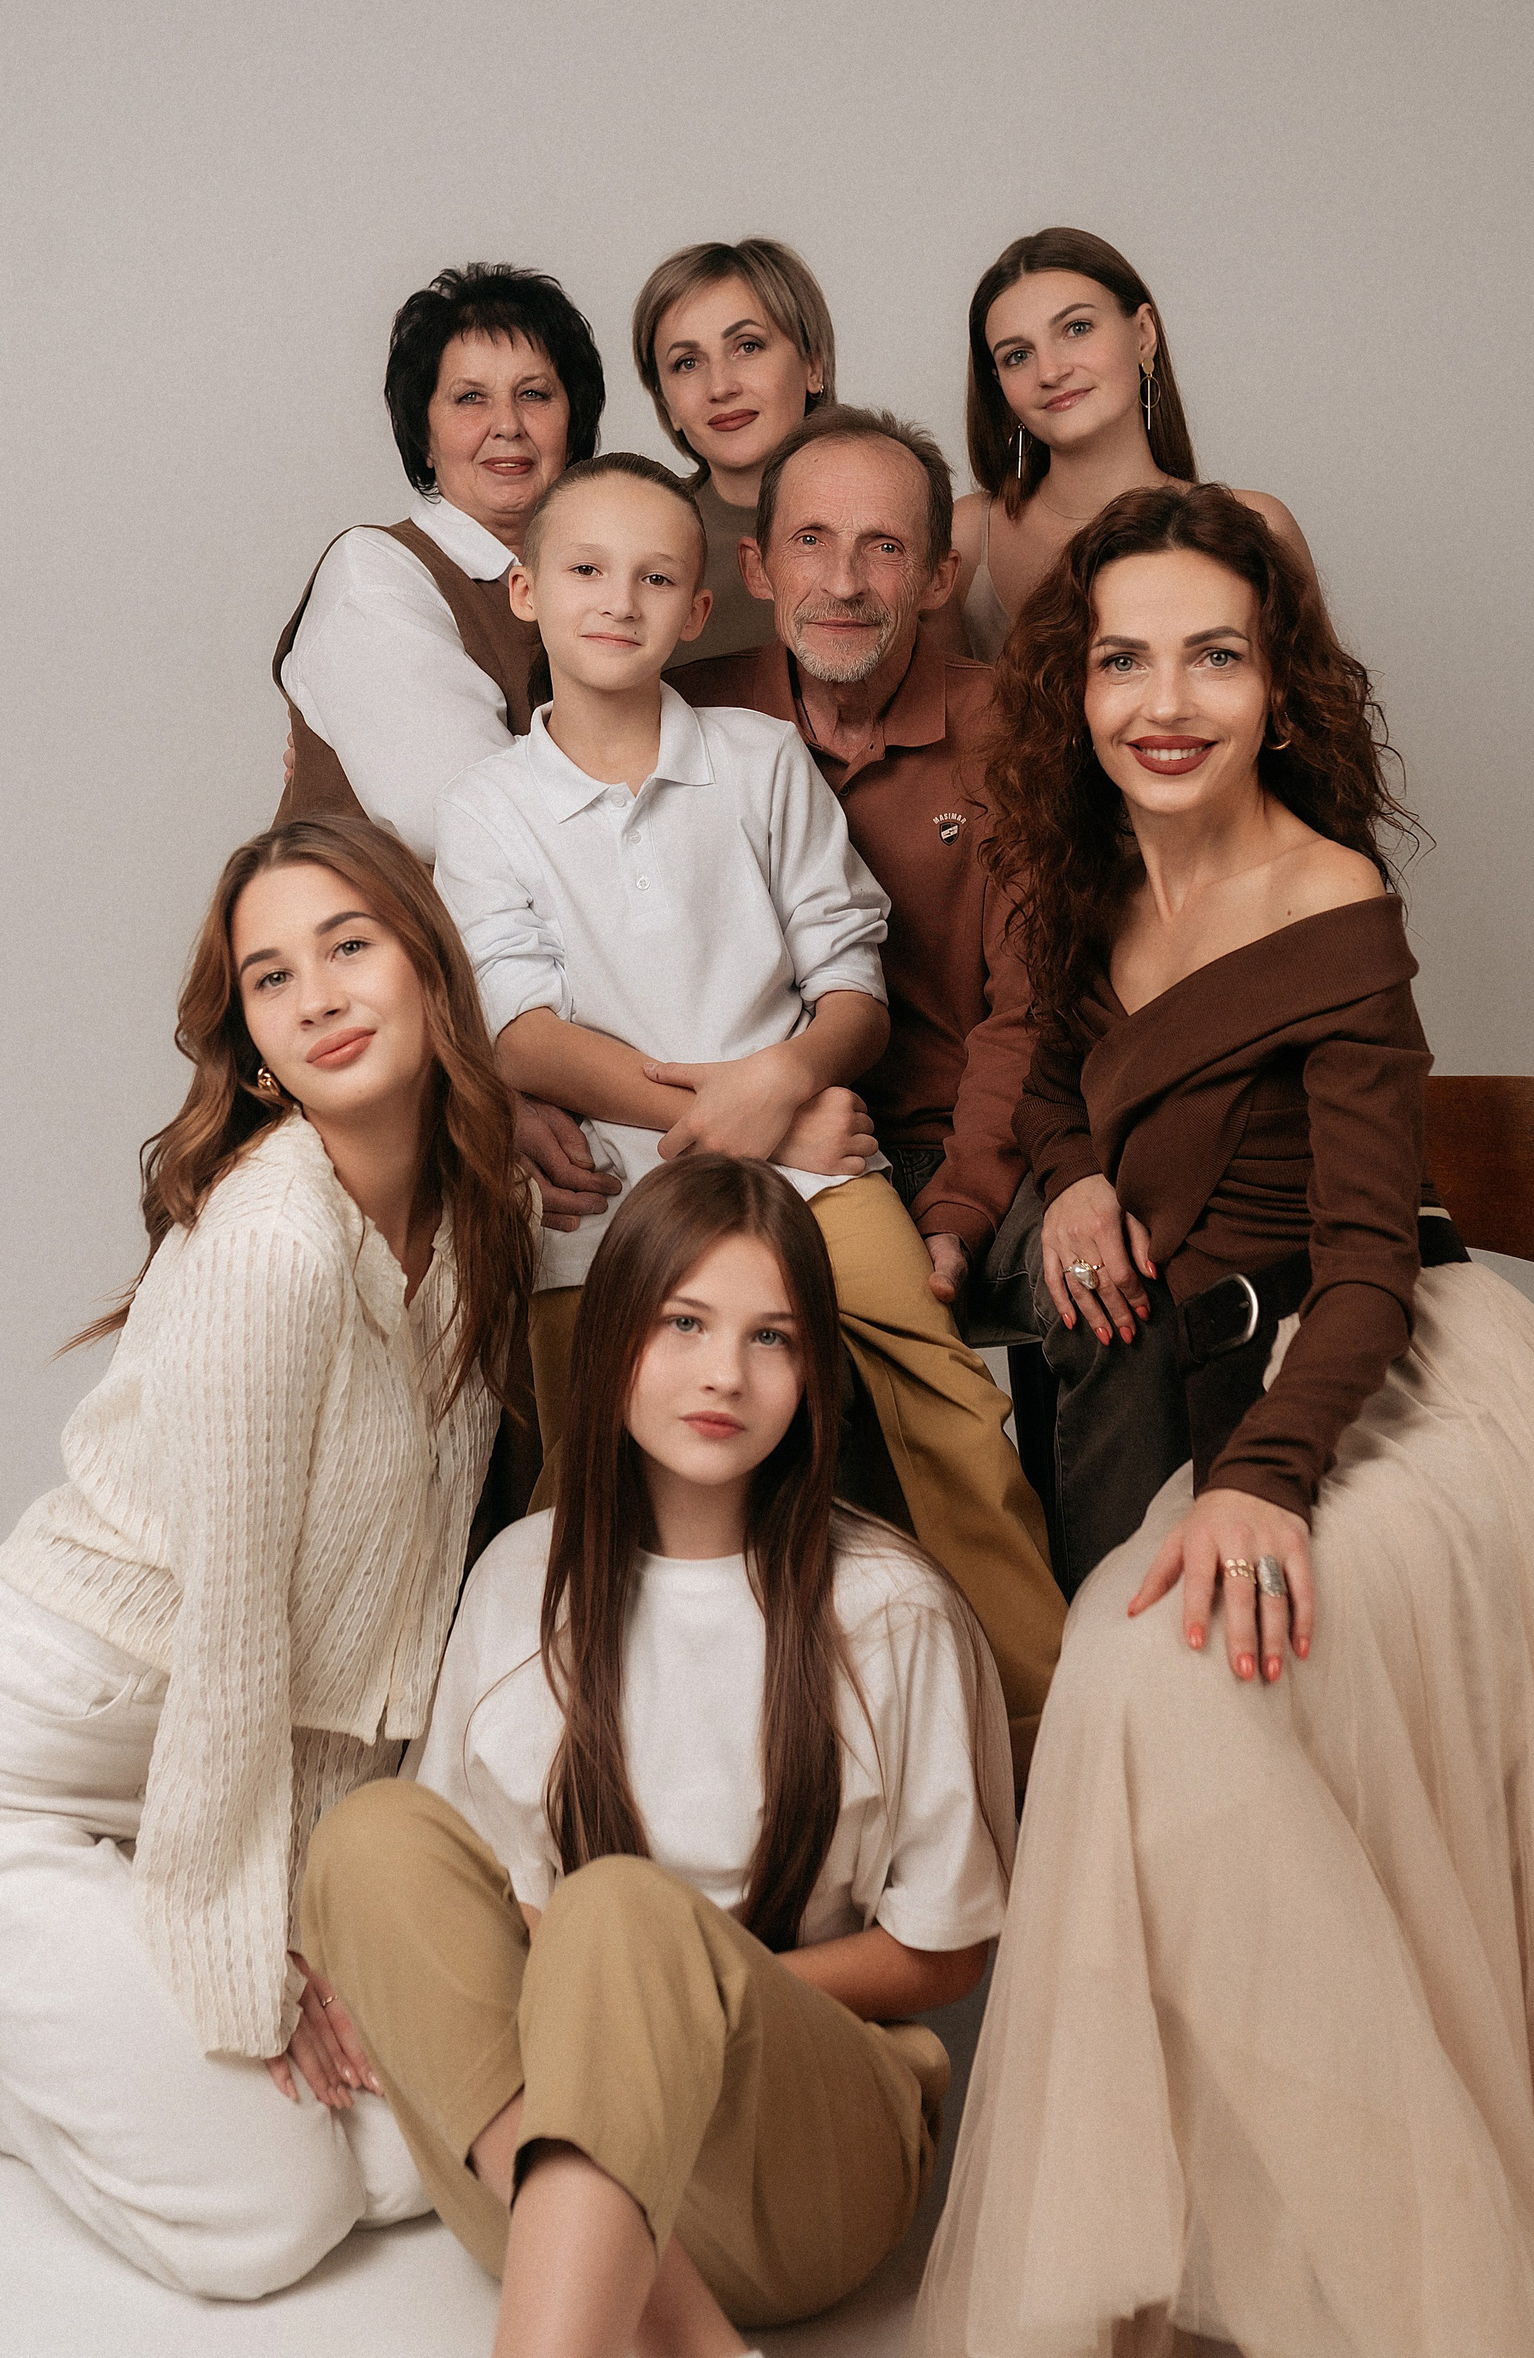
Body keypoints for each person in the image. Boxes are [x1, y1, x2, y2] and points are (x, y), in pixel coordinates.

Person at [914, 488, 1534, 2358]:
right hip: (1222, 1382)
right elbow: (1066, 1076)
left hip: (1387, 1384)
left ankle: (1411, 2278)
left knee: (1155, 1667)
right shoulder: (1086, 869)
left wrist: (1260, 1483)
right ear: (1078, 686)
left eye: (1214, 657)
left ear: (1278, 686)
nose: (1165, 701)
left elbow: (1371, 1265)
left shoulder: (1331, 901)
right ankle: (1226, 2257)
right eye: (1124, 658)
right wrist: (1078, 1177)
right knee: (1141, 1679)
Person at [0, 818, 537, 2298]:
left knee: (404, 2160)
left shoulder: (474, 1214)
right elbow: (239, 1643)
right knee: (274, 2218)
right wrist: (251, 1958)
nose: (318, 995)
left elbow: (388, 1630)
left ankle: (80, 1969)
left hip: (183, 1780)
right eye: (272, 976)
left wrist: (328, 1915)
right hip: (9, 1764)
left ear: (429, 966)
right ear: (253, 1047)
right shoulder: (277, 1244)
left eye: (349, 945)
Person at [296, 1155, 1015, 2358]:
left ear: (813, 1371)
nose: (724, 1372)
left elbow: (946, 1948)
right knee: (366, 1839)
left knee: (620, 1912)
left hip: (800, 2179)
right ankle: (679, 2331)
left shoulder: (891, 1608)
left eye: (771, 1336)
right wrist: (604, 2002)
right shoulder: (521, 1577)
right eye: (684, 1322)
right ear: (616, 1332)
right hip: (547, 2166)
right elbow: (479, 1906)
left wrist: (691, 1997)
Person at [433, 453, 1064, 1785]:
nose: (620, 601)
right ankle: (566, 1769)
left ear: (703, 602)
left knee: (954, 1417)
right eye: (587, 570)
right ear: (526, 589)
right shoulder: (486, 808)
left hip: (819, 1182)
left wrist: (785, 1089)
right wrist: (753, 1113)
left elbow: (853, 986)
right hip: (607, 1197)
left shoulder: (759, 758)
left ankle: (1046, 1736)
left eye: (656, 576)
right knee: (580, 1473)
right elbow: (520, 1033)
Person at [274, 257, 618, 1236]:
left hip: (527, 1039)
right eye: (469, 398)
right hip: (383, 1044)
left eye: (535, 394)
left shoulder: (596, 579)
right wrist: (496, 1083)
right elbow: (472, 824)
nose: (506, 426)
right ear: (422, 429)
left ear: (575, 420)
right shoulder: (378, 572)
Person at [946, 225, 1311, 660]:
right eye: (1017, 356)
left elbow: (1316, 699)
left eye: (1077, 328)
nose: (1050, 372)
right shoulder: (966, 536)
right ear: (999, 384)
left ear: (1143, 333)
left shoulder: (1260, 525)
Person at [630, 235, 837, 665]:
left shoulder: (895, 518)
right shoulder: (637, 539)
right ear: (666, 403)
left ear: (813, 365)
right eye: (687, 363)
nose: (721, 387)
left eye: (748, 346)